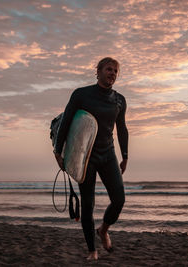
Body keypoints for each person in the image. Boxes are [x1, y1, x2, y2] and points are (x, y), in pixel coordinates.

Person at [54, 57, 128, 260]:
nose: (112, 73)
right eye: (108, 69)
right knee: (88, 205)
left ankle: (103, 230)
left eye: (115, 71)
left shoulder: (119, 100)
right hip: (85, 157)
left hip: (108, 154)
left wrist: (125, 155)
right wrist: (58, 151)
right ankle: (92, 250)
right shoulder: (81, 94)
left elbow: (121, 129)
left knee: (119, 199)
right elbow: (67, 122)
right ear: (98, 71)